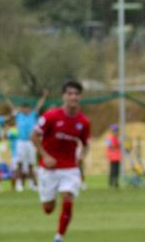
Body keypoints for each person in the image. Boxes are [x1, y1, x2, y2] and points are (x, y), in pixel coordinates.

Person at [31, 81, 91, 242]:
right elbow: (34, 136)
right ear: (64, 96)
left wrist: (82, 157)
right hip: (48, 169)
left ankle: (59, 237)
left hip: (70, 169)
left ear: (80, 97)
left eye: (76, 94)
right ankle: (49, 201)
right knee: (48, 209)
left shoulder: (83, 122)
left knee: (68, 197)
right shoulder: (51, 116)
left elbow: (85, 144)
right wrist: (45, 155)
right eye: (69, 93)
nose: (73, 96)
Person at [6, 90, 48, 192]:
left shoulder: (33, 115)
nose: (24, 110)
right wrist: (6, 97)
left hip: (31, 142)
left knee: (30, 164)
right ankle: (19, 184)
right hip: (21, 142)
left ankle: (33, 184)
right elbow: (11, 106)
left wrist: (44, 96)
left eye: (26, 108)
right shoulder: (19, 115)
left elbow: (39, 105)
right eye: (22, 108)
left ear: (29, 108)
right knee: (20, 163)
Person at [106, 124, 122, 188]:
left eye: (117, 131)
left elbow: (119, 146)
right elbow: (111, 146)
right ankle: (111, 182)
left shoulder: (117, 138)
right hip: (112, 157)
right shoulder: (109, 138)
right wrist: (117, 146)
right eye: (115, 131)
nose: (117, 132)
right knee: (113, 170)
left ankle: (116, 182)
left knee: (117, 171)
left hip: (118, 157)